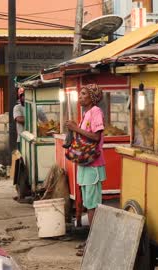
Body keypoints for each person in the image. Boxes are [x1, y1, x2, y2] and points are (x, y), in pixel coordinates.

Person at [65, 84, 105, 256]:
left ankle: (95, 243)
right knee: (88, 204)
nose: (80, 97)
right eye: (79, 94)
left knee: (93, 206)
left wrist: (76, 128)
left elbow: (96, 136)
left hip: (93, 165)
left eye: (83, 94)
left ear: (92, 97)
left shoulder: (96, 112)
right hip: (85, 164)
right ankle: (91, 240)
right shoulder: (85, 114)